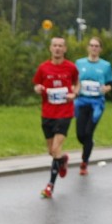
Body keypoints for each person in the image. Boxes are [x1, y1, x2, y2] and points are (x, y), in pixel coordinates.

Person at [33, 36, 78, 199]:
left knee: (55, 149)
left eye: (60, 46)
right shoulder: (43, 68)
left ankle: (50, 186)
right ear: (50, 48)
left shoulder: (71, 67)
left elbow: (77, 83)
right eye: (55, 46)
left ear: (65, 49)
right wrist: (37, 88)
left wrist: (75, 93)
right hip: (47, 113)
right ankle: (62, 160)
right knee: (51, 151)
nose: (57, 48)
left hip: (65, 113)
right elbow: (37, 85)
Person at [74, 37, 112, 175]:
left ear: (100, 49)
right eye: (91, 45)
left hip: (97, 103)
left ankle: (84, 163)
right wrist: (76, 88)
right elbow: (74, 81)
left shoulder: (106, 65)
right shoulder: (79, 63)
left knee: (88, 132)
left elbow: (110, 84)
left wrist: (107, 89)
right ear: (88, 48)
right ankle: (89, 143)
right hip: (81, 101)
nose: (94, 48)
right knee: (80, 135)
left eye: (97, 46)